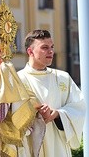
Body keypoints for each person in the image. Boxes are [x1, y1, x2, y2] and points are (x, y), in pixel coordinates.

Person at [17, 29, 86, 157]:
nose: (50, 51)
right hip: (30, 144)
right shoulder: (17, 80)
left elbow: (79, 106)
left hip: (58, 145)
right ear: (30, 51)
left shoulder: (63, 78)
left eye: (52, 47)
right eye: (44, 47)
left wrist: (58, 114)